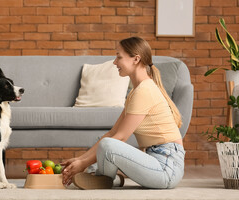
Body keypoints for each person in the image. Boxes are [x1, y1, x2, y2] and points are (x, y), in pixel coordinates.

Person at [61, 36, 186, 189]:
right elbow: (112, 133)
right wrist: (79, 160)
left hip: (166, 168)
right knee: (107, 141)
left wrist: (83, 164)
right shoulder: (136, 91)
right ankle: (109, 179)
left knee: (109, 144)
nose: (115, 62)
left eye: (119, 57)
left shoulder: (144, 91)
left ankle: (102, 179)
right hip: (155, 161)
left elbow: (120, 138)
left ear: (136, 59)